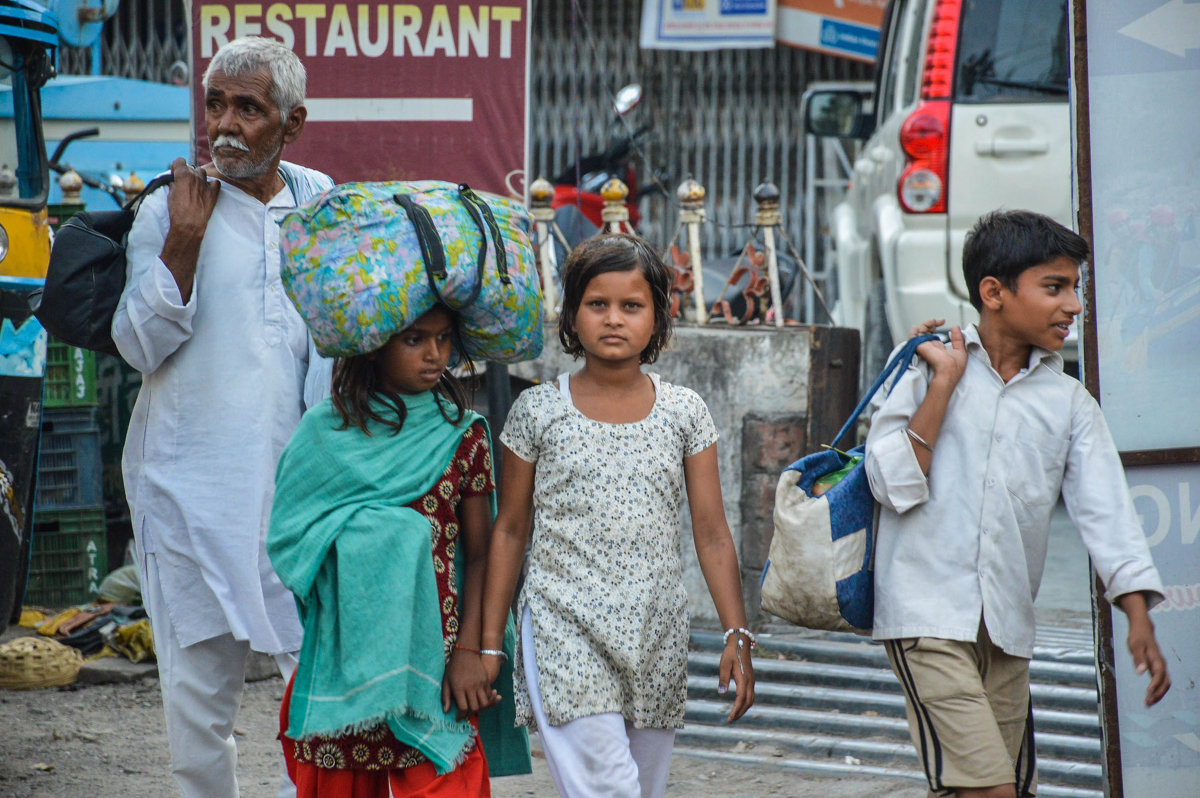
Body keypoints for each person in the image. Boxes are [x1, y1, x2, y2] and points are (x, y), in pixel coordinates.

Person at [865, 210, 1171, 798]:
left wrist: (1137, 613)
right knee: (991, 790)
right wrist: (944, 386)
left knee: (997, 788)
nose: (1073, 306)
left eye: (1074, 288)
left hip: (1006, 629)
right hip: (926, 617)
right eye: (1054, 287)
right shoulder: (923, 364)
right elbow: (893, 486)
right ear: (993, 293)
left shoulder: (1068, 403)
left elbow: (1106, 511)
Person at [111, 37, 334, 798]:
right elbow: (137, 346)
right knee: (197, 706)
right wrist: (183, 241)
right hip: (188, 494)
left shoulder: (322, 203)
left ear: (292, 123)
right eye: (215, 105)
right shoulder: (169, 210)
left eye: (249, 107)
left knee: (323, 687)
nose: (226, 125)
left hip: (298, 494)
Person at [480, 233, 756, 798]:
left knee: (639, 789)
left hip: (656, 631)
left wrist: (738, 632)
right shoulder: (537, 410)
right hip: (564, 624)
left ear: (657, 317)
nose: (614, 319)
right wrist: (491, 643)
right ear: (571, 315)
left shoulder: (684, 411)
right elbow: (509, 530)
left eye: (631, 306)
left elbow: (711, 532)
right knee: (610, 789)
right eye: (597, 304)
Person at [267, 305, 529, 797]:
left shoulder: (462, 433)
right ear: (374, 343)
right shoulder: (326, 433)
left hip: (441, 672)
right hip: (349, 670)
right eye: (414, 340)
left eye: (445, 339)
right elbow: (291, 539)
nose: (435, 355)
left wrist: (472, 651)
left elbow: (479, 554)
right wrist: (381, 534)